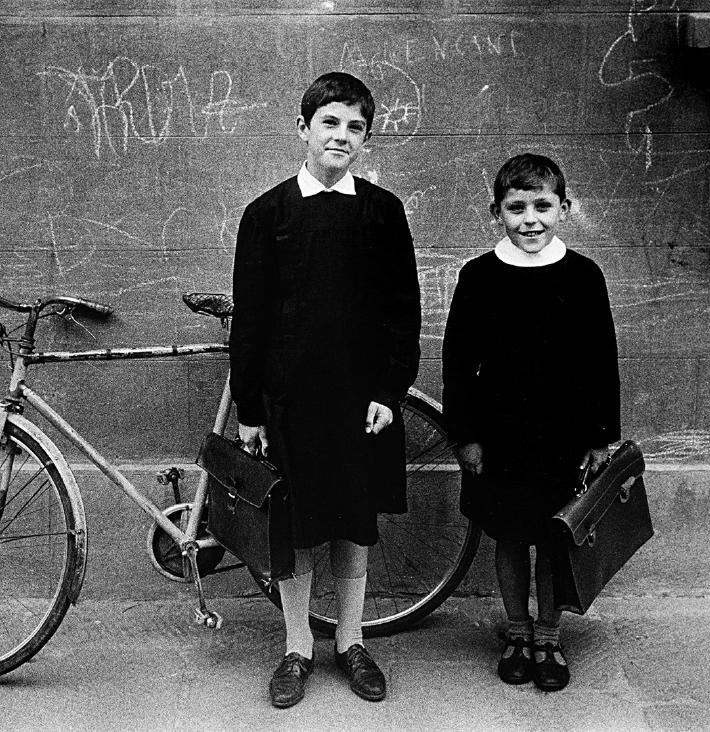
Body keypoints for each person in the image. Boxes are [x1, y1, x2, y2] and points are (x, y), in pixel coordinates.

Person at [229, 71, 421, 708]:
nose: (342, 136)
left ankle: (351, 640)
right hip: (290, 401)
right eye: (330, 123)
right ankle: (295, 647)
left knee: (351, 524)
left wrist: (389, 392)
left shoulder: (383, 212)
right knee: (297, 525)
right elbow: (251, 317)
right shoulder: (267, 214)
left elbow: (403, 311)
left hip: (359, 400)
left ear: (367, 140)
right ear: (303, 130)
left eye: (355, 127)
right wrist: (250, 408)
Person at [441, 153, 620, 692]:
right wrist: (465, 435)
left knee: (552, 536)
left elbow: (601, 359)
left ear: (564, 209)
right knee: (511, 535)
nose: (530, 219)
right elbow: (457, 360)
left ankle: (548, 634)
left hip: (561, 437)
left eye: (543, 206)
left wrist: (600, 437)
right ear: (496, 212)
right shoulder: (478, 276)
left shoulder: (584, 276)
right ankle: (517, 630)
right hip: (500, 439)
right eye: (516, 208)